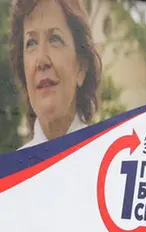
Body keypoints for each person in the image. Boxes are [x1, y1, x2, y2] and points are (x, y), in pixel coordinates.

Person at [9, 0, 102, 149]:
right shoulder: (13, 170)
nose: (41, 61)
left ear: (81, 68)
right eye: (31, 43)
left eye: (54, 39)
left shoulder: (107, 161)